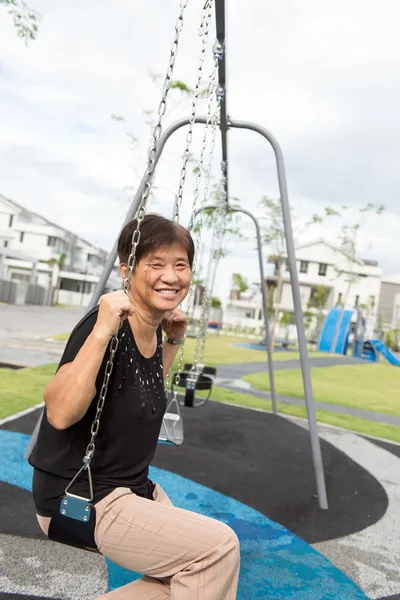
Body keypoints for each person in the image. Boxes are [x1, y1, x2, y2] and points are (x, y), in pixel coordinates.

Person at [29, 213, 240, 600]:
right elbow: (59, 413)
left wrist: (173, 342)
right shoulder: (102, 325)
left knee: (181, 576)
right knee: (216, 549)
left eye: (180, 265)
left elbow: (140, 397)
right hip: (82, 497)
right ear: (127, 270)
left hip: (131, 489)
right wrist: (102, 331)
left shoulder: (155, 329)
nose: (171, 276)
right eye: (156, 264)